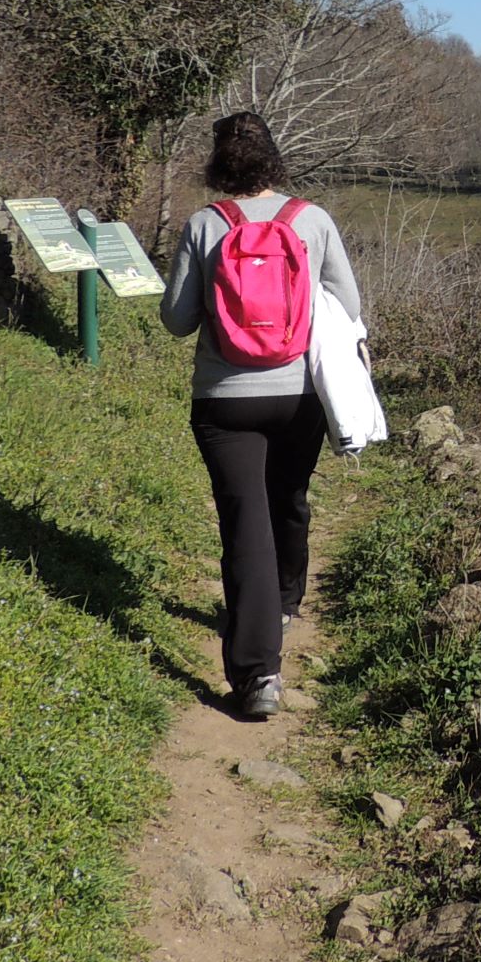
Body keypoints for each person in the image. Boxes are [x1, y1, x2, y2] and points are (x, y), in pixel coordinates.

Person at [159, 111, 363, 717]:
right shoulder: (312, 220)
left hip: (225, 400)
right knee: (289, 498)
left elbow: (176, 321)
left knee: (245, 523)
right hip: (299, 394)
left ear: (220, 165)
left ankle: (258, 677)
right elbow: (347, 305)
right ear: (273, 159)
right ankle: (285, 599)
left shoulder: (205, 224)